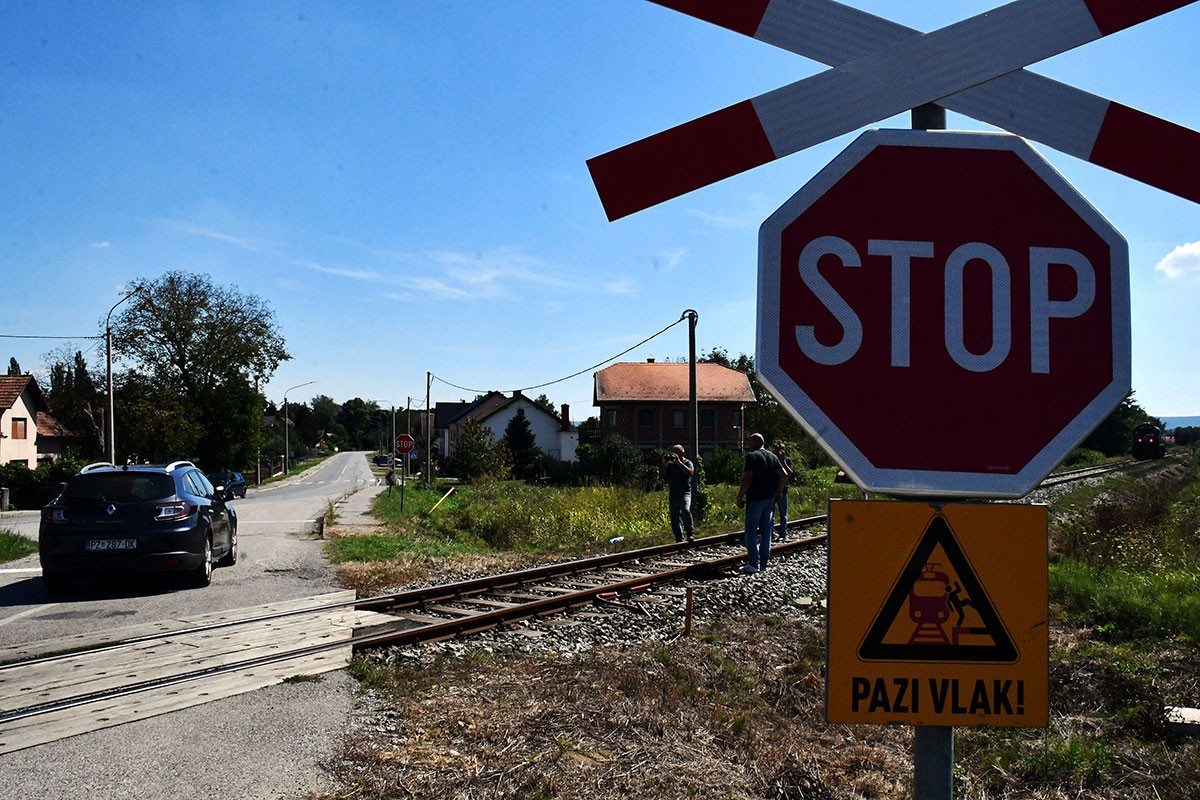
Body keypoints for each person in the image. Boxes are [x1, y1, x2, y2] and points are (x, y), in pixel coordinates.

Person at [735, 433, 789, 573]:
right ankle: (763, 564)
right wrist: (779, 491)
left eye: (749, 441)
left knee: (751, 531)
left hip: (755, 499)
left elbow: (747, 478)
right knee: (766, 532)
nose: (748, 444)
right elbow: (784, 475)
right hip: (769, 499)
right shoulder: (772, 456)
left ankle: (753, 564)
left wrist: (740, 496)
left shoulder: (752, 457)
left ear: (754, 443)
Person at [660, 444, 696, 542]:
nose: (675, 454)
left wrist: (679, 463)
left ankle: (690, 533)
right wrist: (663, 465)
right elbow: (663, 475)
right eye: (674, 452)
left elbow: (690, 473)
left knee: (685, 510)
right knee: (674, 516)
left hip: (685, 492)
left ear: (682, 452)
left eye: (678, 452)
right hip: (674, 493)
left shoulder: (687, 462)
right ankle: (679, 538)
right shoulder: (670, 465)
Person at [774, 444, 795, 541]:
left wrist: (783, 461)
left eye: (782, 449)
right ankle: (771, 532)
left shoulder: (788, 460)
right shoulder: (772, 459)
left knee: (783, 514)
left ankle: (783, 533)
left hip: (784, 489)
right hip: (772, 490)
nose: (780, 451)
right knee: (771, 513)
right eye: (778, 449)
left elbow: (789, 473)